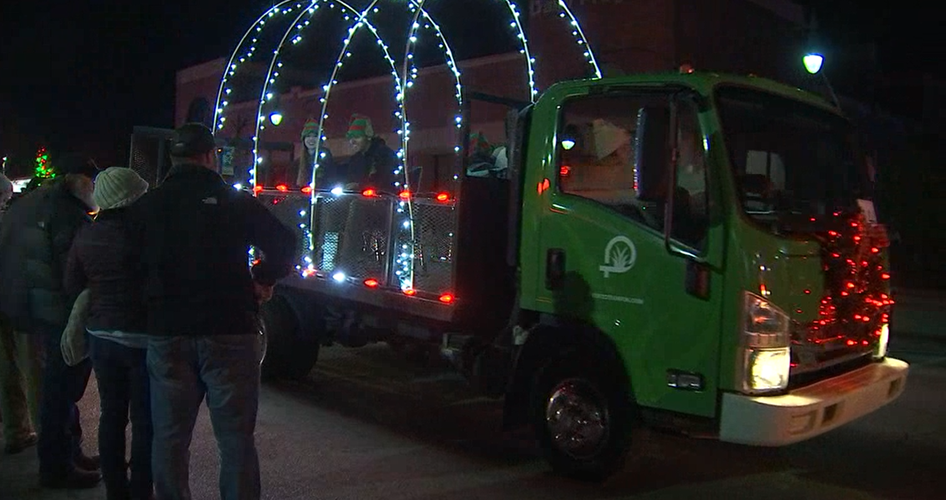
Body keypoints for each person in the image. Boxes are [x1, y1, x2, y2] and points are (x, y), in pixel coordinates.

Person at [128, 123, 296, 500]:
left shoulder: (148, 206)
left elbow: (128, 263)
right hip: (230, 329)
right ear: (210, 156)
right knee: (235, 439)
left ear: (173, 158)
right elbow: (285, 243)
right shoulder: (235, 202)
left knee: (169, 437)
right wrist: (262, 278)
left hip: (168, 330)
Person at [0, 154, 102, 488]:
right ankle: (59, 464)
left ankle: (58, 449)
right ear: (84, 183)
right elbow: (72, 270)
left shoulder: (31, 202)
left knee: (26, 380)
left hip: (14, 302)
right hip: (47, 310)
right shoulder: (68, 213)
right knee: (55, 390)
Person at [65, 167, 153, 500]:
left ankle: (116, 489)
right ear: (133, 197)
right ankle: (142, 488)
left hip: (102, 336)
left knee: (112, 415)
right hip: (143, 339)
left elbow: (72, 283)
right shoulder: (147, 235)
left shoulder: (86, 234)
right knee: (145, 420)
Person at [1, 171, 42, 455]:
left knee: (7, 369)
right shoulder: (11, 224)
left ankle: (16, 429)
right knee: (27, 369)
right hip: (13, 305)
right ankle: (27, 430)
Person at [340, 113, 398, 192]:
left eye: (357, 137)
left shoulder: (385, 155)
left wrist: (359, 186)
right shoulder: (355, 159)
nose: (352, 141)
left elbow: (385, 181)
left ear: (368, 137)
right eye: (350, 138)